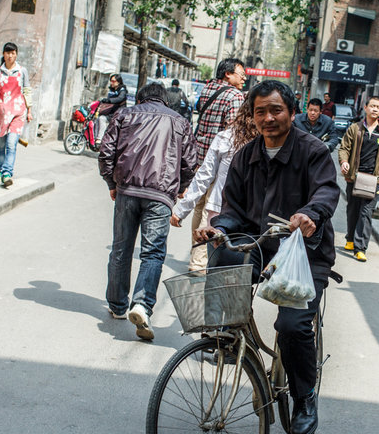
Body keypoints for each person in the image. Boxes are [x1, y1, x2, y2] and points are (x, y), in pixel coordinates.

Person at [195, 80, 339, 434]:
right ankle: (225, 332)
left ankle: (304, 396)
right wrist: (218, 228)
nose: (268, 118)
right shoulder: (246, 157)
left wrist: (310, 214)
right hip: (260, 245)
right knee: (224, 250)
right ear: (252, 116)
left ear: (292, 112)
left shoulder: (313, 151)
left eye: (276, 110)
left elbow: (326, 191)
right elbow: (233, 209)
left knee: (291, 327)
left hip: (303, 254)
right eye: (260, 111)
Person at [99, 82, 197, 340]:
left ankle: (118, 306)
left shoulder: (124, 114)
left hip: (126, 191)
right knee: (153, 253)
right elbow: (190, 162)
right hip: (161, 195)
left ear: (141, 99)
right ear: (165, 100)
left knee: (121, 248)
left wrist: (112, 183)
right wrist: (181, 187)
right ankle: (142, 304)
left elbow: (106, 151)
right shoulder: (180, 122)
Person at [187, 58, 247, 271]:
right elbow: (234, 130)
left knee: (199, 208)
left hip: (200, 157)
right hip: (219, 160)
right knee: (210, 212)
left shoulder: (207, 90)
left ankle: (195, 255)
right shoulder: (234, 96)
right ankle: (199, 263)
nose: (244, 78)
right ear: (228, 74)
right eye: (241, 74)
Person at [170, 102, 259, 238]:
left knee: (213, 254)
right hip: (247, 214)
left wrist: (181, 211)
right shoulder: (268, 143)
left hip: (221, 210)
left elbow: (205, 175)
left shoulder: (227, 137)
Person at [337, 95, 379, 262]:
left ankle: (360, 247)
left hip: (374, 179)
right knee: (353, 209)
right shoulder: (355, 128)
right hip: (354, 176)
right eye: (372, 106)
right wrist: (344, 161)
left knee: (366, 212)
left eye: (378, 107)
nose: (375, 109)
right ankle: (350, 238)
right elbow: (344, 148)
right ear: (366, 108)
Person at [0, 42, 33, 187]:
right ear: (3, 54)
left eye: (13, 53)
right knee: (1, 145)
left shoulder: (22, 71)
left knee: (11, 144)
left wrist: (29, 110)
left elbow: (27, 90)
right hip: (1, 113)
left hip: (17, 113)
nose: (10, 56)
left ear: (16, 54)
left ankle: (7, 173)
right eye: (7, 53)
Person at [96, 73, 128, 143]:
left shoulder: (122, 90)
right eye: (111, 81)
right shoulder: (112, 90)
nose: (111, 83)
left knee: (102, 119)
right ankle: (96, 138)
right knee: (98, 118)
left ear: (118, 82)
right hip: (111, 112)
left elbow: (120, 98)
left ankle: (99, 139)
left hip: (118, 114)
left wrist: (109, 100)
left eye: (113, 81)